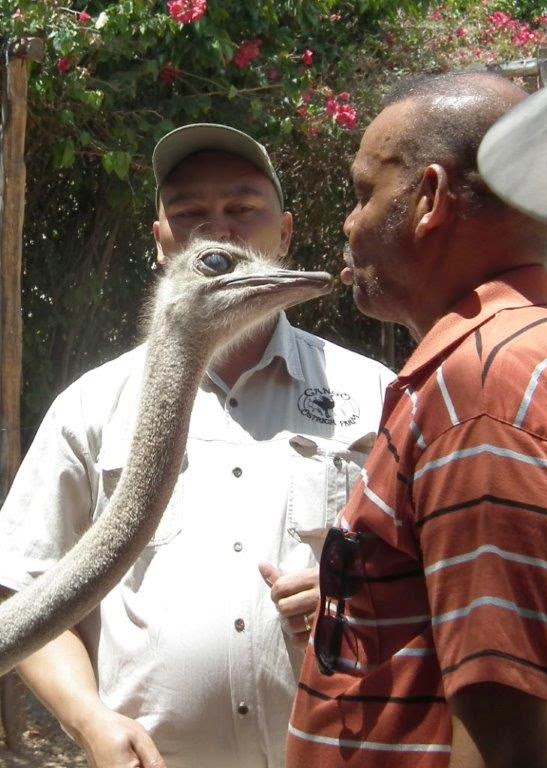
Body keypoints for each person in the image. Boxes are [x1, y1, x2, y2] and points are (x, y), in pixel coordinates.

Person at [0, 124, 394, 768]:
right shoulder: (92, 405)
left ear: (285, 234)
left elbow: (439, 575)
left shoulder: (374, 394)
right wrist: (90, 721)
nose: (218, 229)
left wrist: (363, 598)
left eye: (243, 209)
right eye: (189, 215)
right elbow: (19, 580)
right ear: (160, 244)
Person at [287, 72, 547, 768]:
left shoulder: (481, 390)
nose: (349, 224)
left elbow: (507, 727)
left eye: (363, 194)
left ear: (429, 199)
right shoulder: (521, 362)